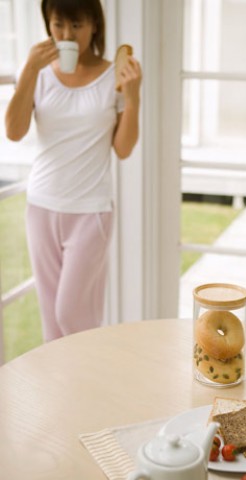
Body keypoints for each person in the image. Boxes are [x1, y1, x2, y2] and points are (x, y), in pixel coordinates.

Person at [5, 0, 142, 341]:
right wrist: (29, 72)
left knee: (73, 314)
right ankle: (62, 394)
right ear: (48, 25)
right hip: (41, 206)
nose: (67, 35)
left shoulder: (117, 74)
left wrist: (135, 98)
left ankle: (90, 389)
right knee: (52, 320)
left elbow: (123, 149)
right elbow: (14, 130)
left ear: (94, 25)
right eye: (58, 26)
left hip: (90, 210)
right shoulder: (37, 74)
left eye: (77, 26)